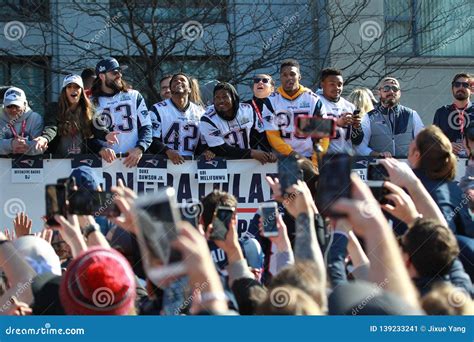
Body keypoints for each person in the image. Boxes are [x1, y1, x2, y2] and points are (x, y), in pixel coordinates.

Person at [406, 125, 474, 279]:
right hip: (448, 277)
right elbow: (468, 234)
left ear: (416, 154)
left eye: (413, 141)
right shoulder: (455, 191)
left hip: (408, 276)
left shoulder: (397, 188)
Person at [90, 57, 152, 167]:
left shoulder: (134, 95)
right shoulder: (91, 102)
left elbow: (146, 126)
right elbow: (87, 135)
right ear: (102, 76)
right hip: (106, 163)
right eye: (114, 73)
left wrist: (140, 148)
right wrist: (100, 148)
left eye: (120, 72)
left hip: (133, 160)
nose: (119, 75)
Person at [264, 59, 328, 160]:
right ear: (280, 78)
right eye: (284, 75)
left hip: (310, 157)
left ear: (299, 76)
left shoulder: (313, 100)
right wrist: (292, 154)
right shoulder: (271, 101)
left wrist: (316, 161)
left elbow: (323, 135)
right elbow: (272, 135)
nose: (289, 77)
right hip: (285, 158)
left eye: (292, 74)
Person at [33, 74, 111, 157]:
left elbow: (97, 129)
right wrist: (44, 138)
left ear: (81, 91)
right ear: (64, 91)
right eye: (69, 87)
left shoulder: (89, 110)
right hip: (57, 161)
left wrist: (106, 135)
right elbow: (51, 127)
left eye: (76, 87)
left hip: (82, 161)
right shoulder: (54, 108)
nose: (73, 89)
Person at [200, 82, 275, 164]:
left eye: (225, 97)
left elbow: (260, 134)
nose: (221, 101)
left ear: (233, 97)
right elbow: (220, 149)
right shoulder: (208, 119)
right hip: (225, 163)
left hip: (250, 163)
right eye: (217, 98)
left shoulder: (247, 110)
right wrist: (251, 153)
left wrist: (268, 152)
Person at [356, 77, 424, 157]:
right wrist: (378, 155)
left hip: (406, 167)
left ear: (399, 93)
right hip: (380, 166)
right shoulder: (369, 117)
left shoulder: (412, 115)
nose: (391, 91)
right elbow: (360, 148)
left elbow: (423, 144)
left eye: (395, 88)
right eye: (386, 88)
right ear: (379, 92)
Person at [148, 73, 206, 164]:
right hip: (164, 163)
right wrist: (167, 151)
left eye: (182, 80)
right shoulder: (157, 109)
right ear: (171, 89)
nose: (178, 81)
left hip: (191, 165)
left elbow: (204, 142)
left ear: (190, 89)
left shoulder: (200, 112)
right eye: (175, 80)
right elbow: (150, 139)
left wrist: (207, 151)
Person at [318, 68, 361, 153]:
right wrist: (337, 123)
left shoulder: (350, 106)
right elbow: (309, 130)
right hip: (323, 158)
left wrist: (357, 127)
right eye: (332, 84)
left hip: (345, 158)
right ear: (322, 84)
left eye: (340, 84)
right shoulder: (315, 102)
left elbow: (357, 141)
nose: (337, 88)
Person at [433, 73, 473, 156]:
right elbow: (433, 142)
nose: (460, 87)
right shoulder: (441, 112)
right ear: (452, 89)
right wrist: (448, 146)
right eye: (457, 84)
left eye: (465, 85)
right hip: (448, 164)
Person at [0, 87, 43, 155]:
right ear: (4, 106)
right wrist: (11, 144)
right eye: (9, 106)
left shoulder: (35, 118)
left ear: (25, 104)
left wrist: (24, 145)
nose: (13, 110)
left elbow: (39, 147)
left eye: (17, 106)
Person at [244, 74, 276, 151]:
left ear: (272, 88)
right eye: (256, 80)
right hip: (251, 156)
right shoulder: (243, 107)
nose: (260, 82)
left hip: (278, 154)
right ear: (253, 88)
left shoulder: (279, 106)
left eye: (265, 80)